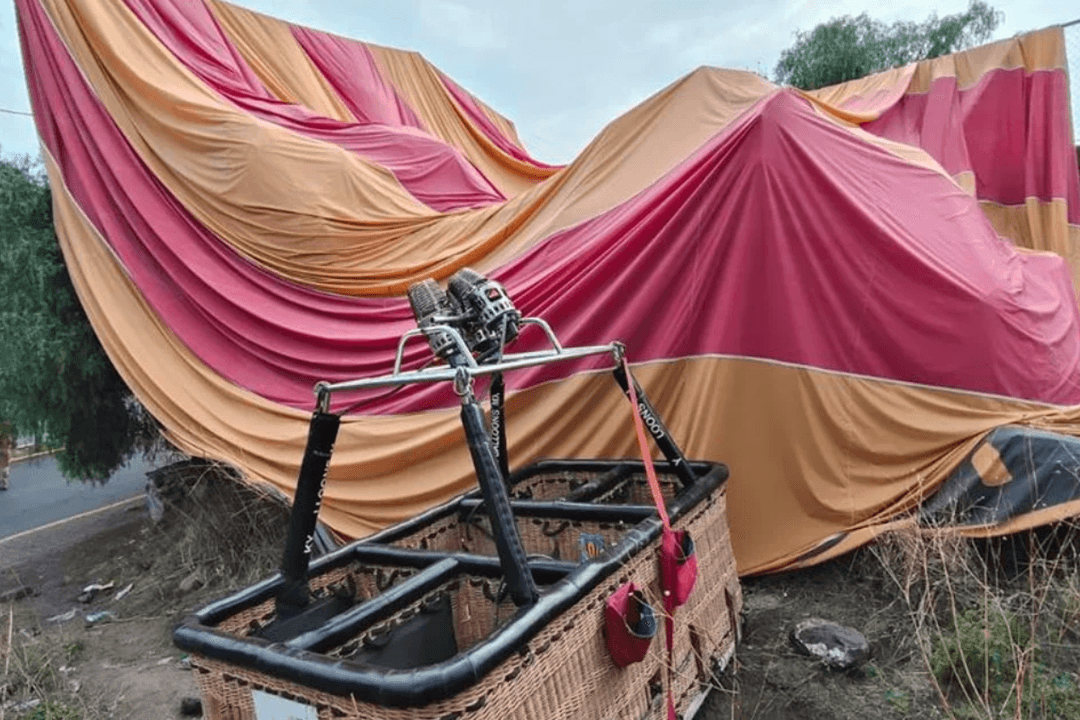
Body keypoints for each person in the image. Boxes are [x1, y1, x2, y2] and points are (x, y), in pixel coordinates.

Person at [0, 423, 13, 491]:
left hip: (4, 453)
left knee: (4, 469)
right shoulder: (3, 436)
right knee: (2, 469)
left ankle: (4, 483)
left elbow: (9, 444)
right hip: (2, 453)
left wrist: (8, 451)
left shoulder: (7, 436)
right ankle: (3, 483)